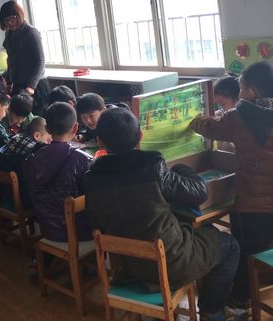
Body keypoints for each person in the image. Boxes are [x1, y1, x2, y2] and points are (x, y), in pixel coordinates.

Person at [86, 108, 239, 321]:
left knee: (205, 233)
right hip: (171, 263)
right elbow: (199, 192)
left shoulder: (91, 179)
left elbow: (95, 223)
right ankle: (212, 312)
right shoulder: (152, 166)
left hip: (128, 266)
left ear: (100, 142)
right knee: (230, 245)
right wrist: (181, 168)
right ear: (140, 136)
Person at [190, 61, 273, 307]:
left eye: (242, 87)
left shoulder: (239, 116)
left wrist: (196, 121)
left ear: (251, 92)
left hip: (252, 202)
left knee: (246, 251)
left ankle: (240, 298)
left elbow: (211, 128)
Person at [24, 102, 92, 242]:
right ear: (76, 128)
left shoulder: (32, 158)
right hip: (80, 231)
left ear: (47, 129)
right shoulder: (83, 159)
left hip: (47, 229)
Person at [0, 0, 50, 116]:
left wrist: (31, 86)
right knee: (20, 118)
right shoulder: (9, 34)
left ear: (19, 15)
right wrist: (9, 81)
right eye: (6, 20)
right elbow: (11, 59)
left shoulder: (31, 32)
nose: (10, 23)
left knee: (38, 120)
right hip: (18, 84)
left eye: (12, 18)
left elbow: (40, 61)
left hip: (36, 85)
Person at [0, 116, 51, 209]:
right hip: (24, 197)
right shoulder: (34, 149)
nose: (49, 142)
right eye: (48, 139)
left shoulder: (15, 137)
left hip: (5, 192)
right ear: (37, 136)